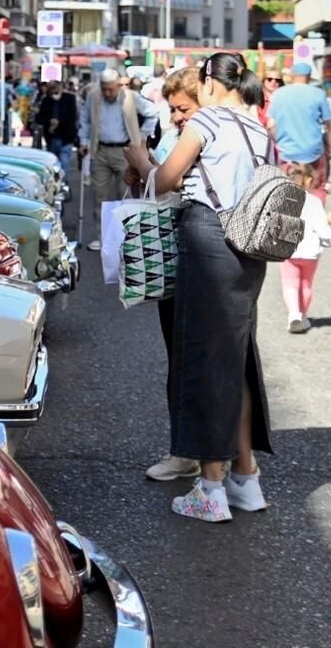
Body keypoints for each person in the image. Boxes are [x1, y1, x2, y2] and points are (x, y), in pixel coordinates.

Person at [122, 52, 275, 521]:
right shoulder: (256, 128)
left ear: (209, 81)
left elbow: (165, 180)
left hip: (208, 239)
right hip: (250, 245)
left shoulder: (206, 122)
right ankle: (245, 479)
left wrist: (140, 161)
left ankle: (209, 489)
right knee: (236, 359)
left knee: (203, 361)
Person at [141, 66, 203, 484]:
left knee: (190, 358)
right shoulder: (182, 134)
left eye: (183, 108)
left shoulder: (204, 135)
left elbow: (167, 181)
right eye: (173, 109)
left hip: (193, 251)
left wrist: (143, 166)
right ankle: (197, 449)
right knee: (182, 356)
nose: (177, 116)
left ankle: (190, 452)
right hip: (178, 251)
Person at [78, 68, 144, 252]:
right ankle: (102, 237)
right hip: (100, 151)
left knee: (126, 195)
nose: (107, 93)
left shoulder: (130, 96)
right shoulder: (93, 96)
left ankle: (127, 237)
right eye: (104, 89)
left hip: (124, 150)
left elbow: (152, 113)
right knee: (100, 196)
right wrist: (84, 141)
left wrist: (142, 137)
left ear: (118, 85)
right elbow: (85, 120)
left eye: (111, 89)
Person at [281, 163, 331, 334]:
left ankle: (294, 315)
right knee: (306, 284)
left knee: (290, 284)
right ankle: (304, 316)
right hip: (310, 253)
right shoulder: (314, 202)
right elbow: (322, 229)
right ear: (308, 180)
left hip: (288, 252)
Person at [266, 61, 331, 202]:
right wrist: (329, 148)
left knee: (287, 192)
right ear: (308, 76)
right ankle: (315, 220)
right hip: (313, 151)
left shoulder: (278, 94)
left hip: (286, 153)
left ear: (292, 76)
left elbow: (270, 125)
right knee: (317, 188)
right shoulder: (318, 94)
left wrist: (277, 144)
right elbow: (328, 126)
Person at [36, 78, 80, 173]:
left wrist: (58, 122)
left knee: (64, 163)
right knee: (53, 165)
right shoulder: (46, 101)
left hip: (66, 137)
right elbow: (39, 118)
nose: (53, 91)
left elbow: (72, 116)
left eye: (55, 88)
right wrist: (49, 121)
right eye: (50, 88)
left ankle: (64, 185)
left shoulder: (69, 98)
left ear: (60, 87)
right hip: (51, 138)